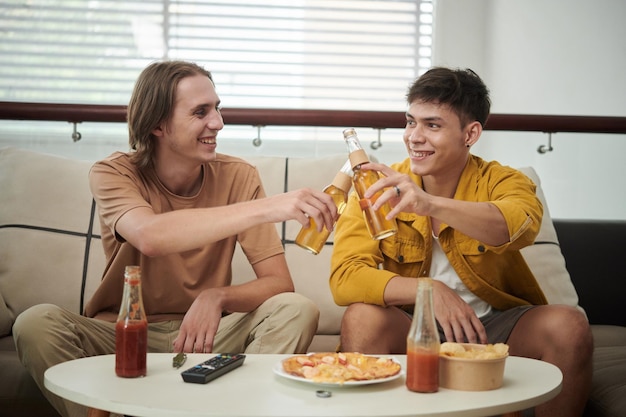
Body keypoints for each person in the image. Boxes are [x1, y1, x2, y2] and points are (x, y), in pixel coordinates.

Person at [13, 60, 338, 417]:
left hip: (208, 337)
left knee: (297, 309)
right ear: (157, 124)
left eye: (217, 108)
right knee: (35, 322)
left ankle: (223, 410)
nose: (218, 122)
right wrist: (268, 207)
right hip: (122, 334)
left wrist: (218, 297)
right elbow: (150, 235)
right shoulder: (113, 173)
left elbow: (279, 283)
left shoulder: (238, 176)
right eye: (201, 112)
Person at [329, 67, 593, 417]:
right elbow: (345, 278)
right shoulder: (377, 187)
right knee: (361, 317)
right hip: (412, 326)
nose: (414, 137)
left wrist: (429, 204)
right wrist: (428, 290)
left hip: (495, 328)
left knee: (570, 325)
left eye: (432, 125)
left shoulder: (505, 180)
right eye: (411, 122)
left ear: (470, 133)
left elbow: (517, 226)